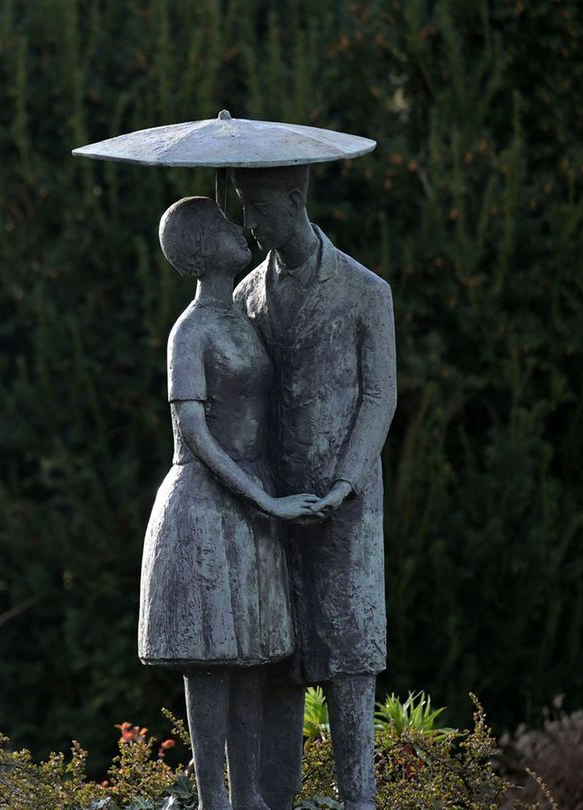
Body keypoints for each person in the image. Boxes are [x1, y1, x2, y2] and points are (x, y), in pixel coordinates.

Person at [139, 196, 321, 810]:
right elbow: (194, 433)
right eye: (219, 224)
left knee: (250, 657)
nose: (235, 226)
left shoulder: (244, 315)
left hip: (250, 506)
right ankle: (212, 796)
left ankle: (248, 798)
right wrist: (264, 499)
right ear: (196, 253)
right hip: (205, 507)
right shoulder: (188, 332)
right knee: (211, 659)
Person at [231, 165, 397, 810]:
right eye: (244, 209)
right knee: (278, 653)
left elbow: (380, 396)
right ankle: (278, 800)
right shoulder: (245, 295)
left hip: (344, 504)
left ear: (295, 200)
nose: (251, 224)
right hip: (271, 503)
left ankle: (360, 800)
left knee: (351, 653)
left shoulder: (364, 290)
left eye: (261, 208)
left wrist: (346, 481)